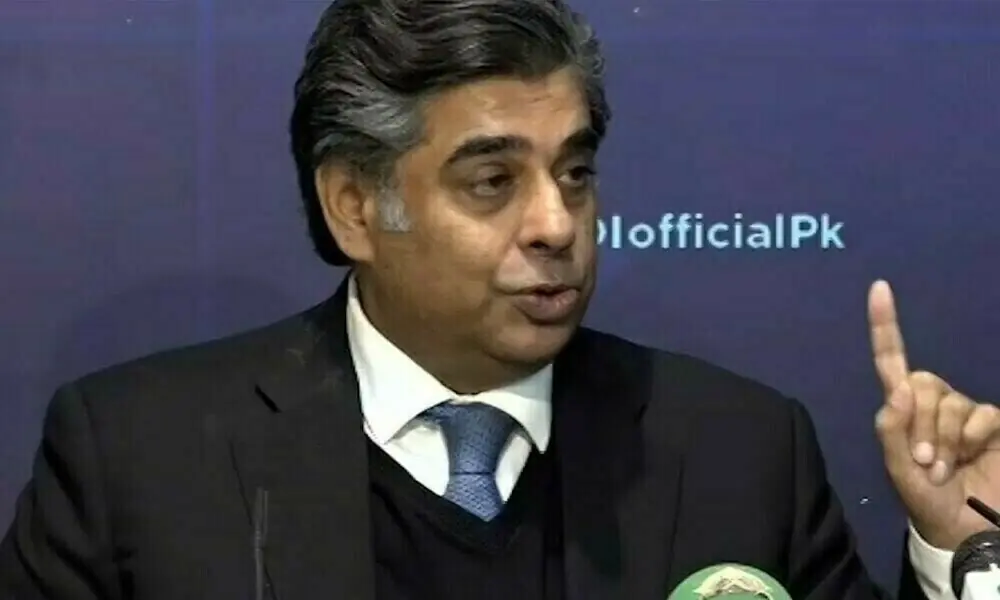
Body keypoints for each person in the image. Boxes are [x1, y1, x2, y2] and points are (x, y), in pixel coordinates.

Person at [2, 0, 998, 598]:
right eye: (492, 181)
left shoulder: (738, 450)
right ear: (354, 206)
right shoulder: (138, 458)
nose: (556, 223)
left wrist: (963, 553)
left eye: (575, 173)